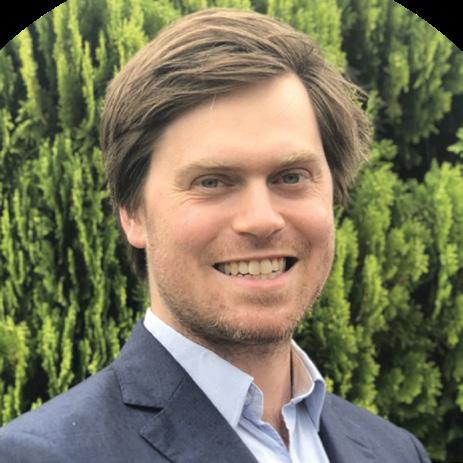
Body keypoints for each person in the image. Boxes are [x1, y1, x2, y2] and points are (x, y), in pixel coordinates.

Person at [0, 8, 431, 463]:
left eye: (291, 177)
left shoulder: (397, 451)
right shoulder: (43, 455)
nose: (261, 220)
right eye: (211, 182)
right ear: (132, 213)